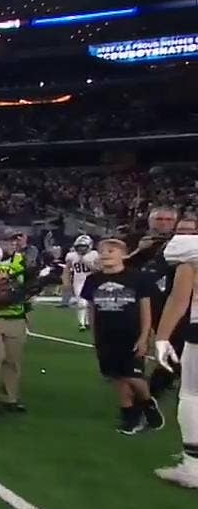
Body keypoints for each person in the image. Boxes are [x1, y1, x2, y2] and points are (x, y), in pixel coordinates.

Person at [83, 239, 164, 434]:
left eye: (111, 250)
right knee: (117, 377)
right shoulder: (93, 280)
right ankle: (129, 415)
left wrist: (145, 336)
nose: (105, 254)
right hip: (106, 336)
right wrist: (96, 336)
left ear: (123, 255)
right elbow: (92, 310)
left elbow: (146, 310)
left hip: (132, 335)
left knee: (134, 376)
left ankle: (147, 402)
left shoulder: (137, 279)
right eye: (102, 251)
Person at [154, 225, 198, 488]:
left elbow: (179, 298)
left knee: (192, 395)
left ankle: (193, 467)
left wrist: (162, 337)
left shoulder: (188, 248)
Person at [129, 205, 181, 402]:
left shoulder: (180, 245)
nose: (164, 223)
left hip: (167, 306)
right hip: (135, 306)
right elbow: (117, 264)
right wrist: (139, 251)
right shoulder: (134, 239)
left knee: (174, 348)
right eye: (160, 219)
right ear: (150, 221)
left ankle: (153, 392)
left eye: (169, 220)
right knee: (134, 350)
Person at [0, 230, 33, 413]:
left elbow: (28, 287)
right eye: (7, 240)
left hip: (16, 316)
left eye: (14, 240)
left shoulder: (22, 260)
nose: (12, 244)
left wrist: (28, 313)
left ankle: (10, 398)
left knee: (13, 360)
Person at [63, 235, 100, 331]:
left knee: (91, 303)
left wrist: (87, 263)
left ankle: (88, 322)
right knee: (82, 302)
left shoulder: (94, 254)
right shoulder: (71, 256)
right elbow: (67, 270)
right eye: (79, 246)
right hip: (78, 281)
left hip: (92, 280)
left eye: (83, 246)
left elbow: (99, 270)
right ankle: (81, 323)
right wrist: (66, 282)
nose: (81, 248)